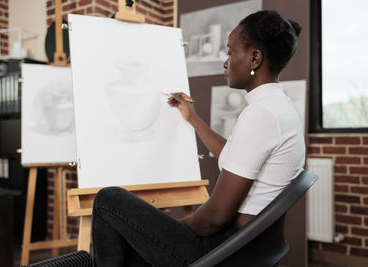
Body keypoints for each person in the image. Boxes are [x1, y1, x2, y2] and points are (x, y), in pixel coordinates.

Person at [92, 10, 305, 267]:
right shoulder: (278, 109)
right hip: (250, 245)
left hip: (225, 249)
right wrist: (191, 118)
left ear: (254, 58)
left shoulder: (261, 115)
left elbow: (214, 218)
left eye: (230, 52)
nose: (225, 62)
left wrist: (166, 228)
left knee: (108, 200)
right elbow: (235, 155)